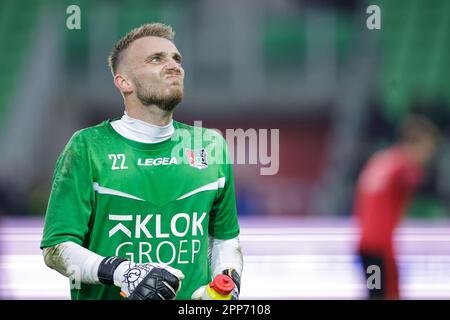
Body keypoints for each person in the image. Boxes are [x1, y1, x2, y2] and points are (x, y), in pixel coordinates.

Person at [40, 23, 243, 300]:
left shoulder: (210, 145)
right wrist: (125, 272)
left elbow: (224, 237)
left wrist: (227, 283)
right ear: (124, 82)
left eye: (176, 59)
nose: (174, 66)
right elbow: (56, 249)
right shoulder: (87, 147)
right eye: (156, 59)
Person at [353, 114, 440, 299]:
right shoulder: (403, 165)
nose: (428, 157)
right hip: (382, 249)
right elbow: (420, 182)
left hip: (365, 247)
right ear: (417, 144)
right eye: (428, 149)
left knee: (376, 294)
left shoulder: (379, 161)